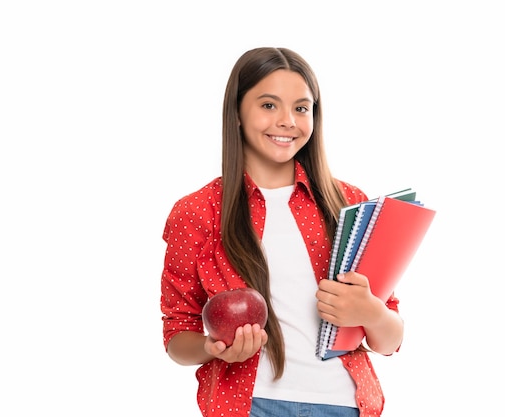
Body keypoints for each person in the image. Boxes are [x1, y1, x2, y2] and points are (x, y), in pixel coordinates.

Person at [159, 47, 404, 417]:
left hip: (343, 404)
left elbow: (390, 340)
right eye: (269, 105)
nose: (288, 120)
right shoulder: (196, 212)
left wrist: (371, 312)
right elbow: (177, 336)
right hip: (248, 405)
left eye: (301, 108)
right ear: (237, 113)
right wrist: (212, 347)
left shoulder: (349, 204)